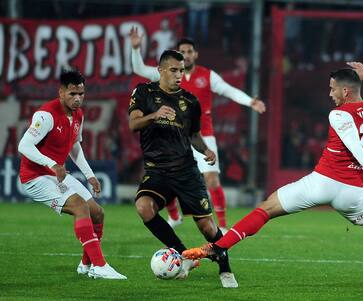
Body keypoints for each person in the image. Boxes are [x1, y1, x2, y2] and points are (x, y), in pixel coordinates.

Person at [182, 62, 363, 293]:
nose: (330, 94)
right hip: (353, 193)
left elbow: (352, 143)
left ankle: (218, 248)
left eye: (332, 89)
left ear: (345, 91)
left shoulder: (339, 114)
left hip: (322, 183)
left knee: (267, 208)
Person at [129, 27, 266, 232]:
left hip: (202, 134)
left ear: (195, 54)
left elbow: (229, 91)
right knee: (165, 174)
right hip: (171, 134)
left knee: (211, 179)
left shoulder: (207, 76)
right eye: (182, 51)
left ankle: (222, 226)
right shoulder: (167, 73)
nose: (186, 54)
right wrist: (135, 49)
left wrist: (250, 101)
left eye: (189, 51)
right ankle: (174, 217)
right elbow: (140, 68)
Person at [128, 49, 238, 288]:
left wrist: (206, 150)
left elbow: (194, 136)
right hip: (157, 170)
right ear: (160, 70)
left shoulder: (190, 101)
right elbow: (133, 124)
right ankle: (183, 254)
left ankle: (225, 269)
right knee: (144, 207)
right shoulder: (144, 92)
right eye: (174, 70)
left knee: (208, 227)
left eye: (182, 70)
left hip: (186, 171)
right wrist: (155, 115)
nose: (180, 75)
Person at [18, 69, 126, 280]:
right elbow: (24, 145)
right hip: (35, 177)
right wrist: (53, 164)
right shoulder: (45, 115)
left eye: (81, 94)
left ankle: (86, 265)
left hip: (57, 174)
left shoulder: (78, 115)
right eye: (72, 94)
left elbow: (74, 146)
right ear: (61, 92)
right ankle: (100, 265)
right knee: (79, 205)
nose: (78, 99)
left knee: (98, 212)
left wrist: (90, 175)